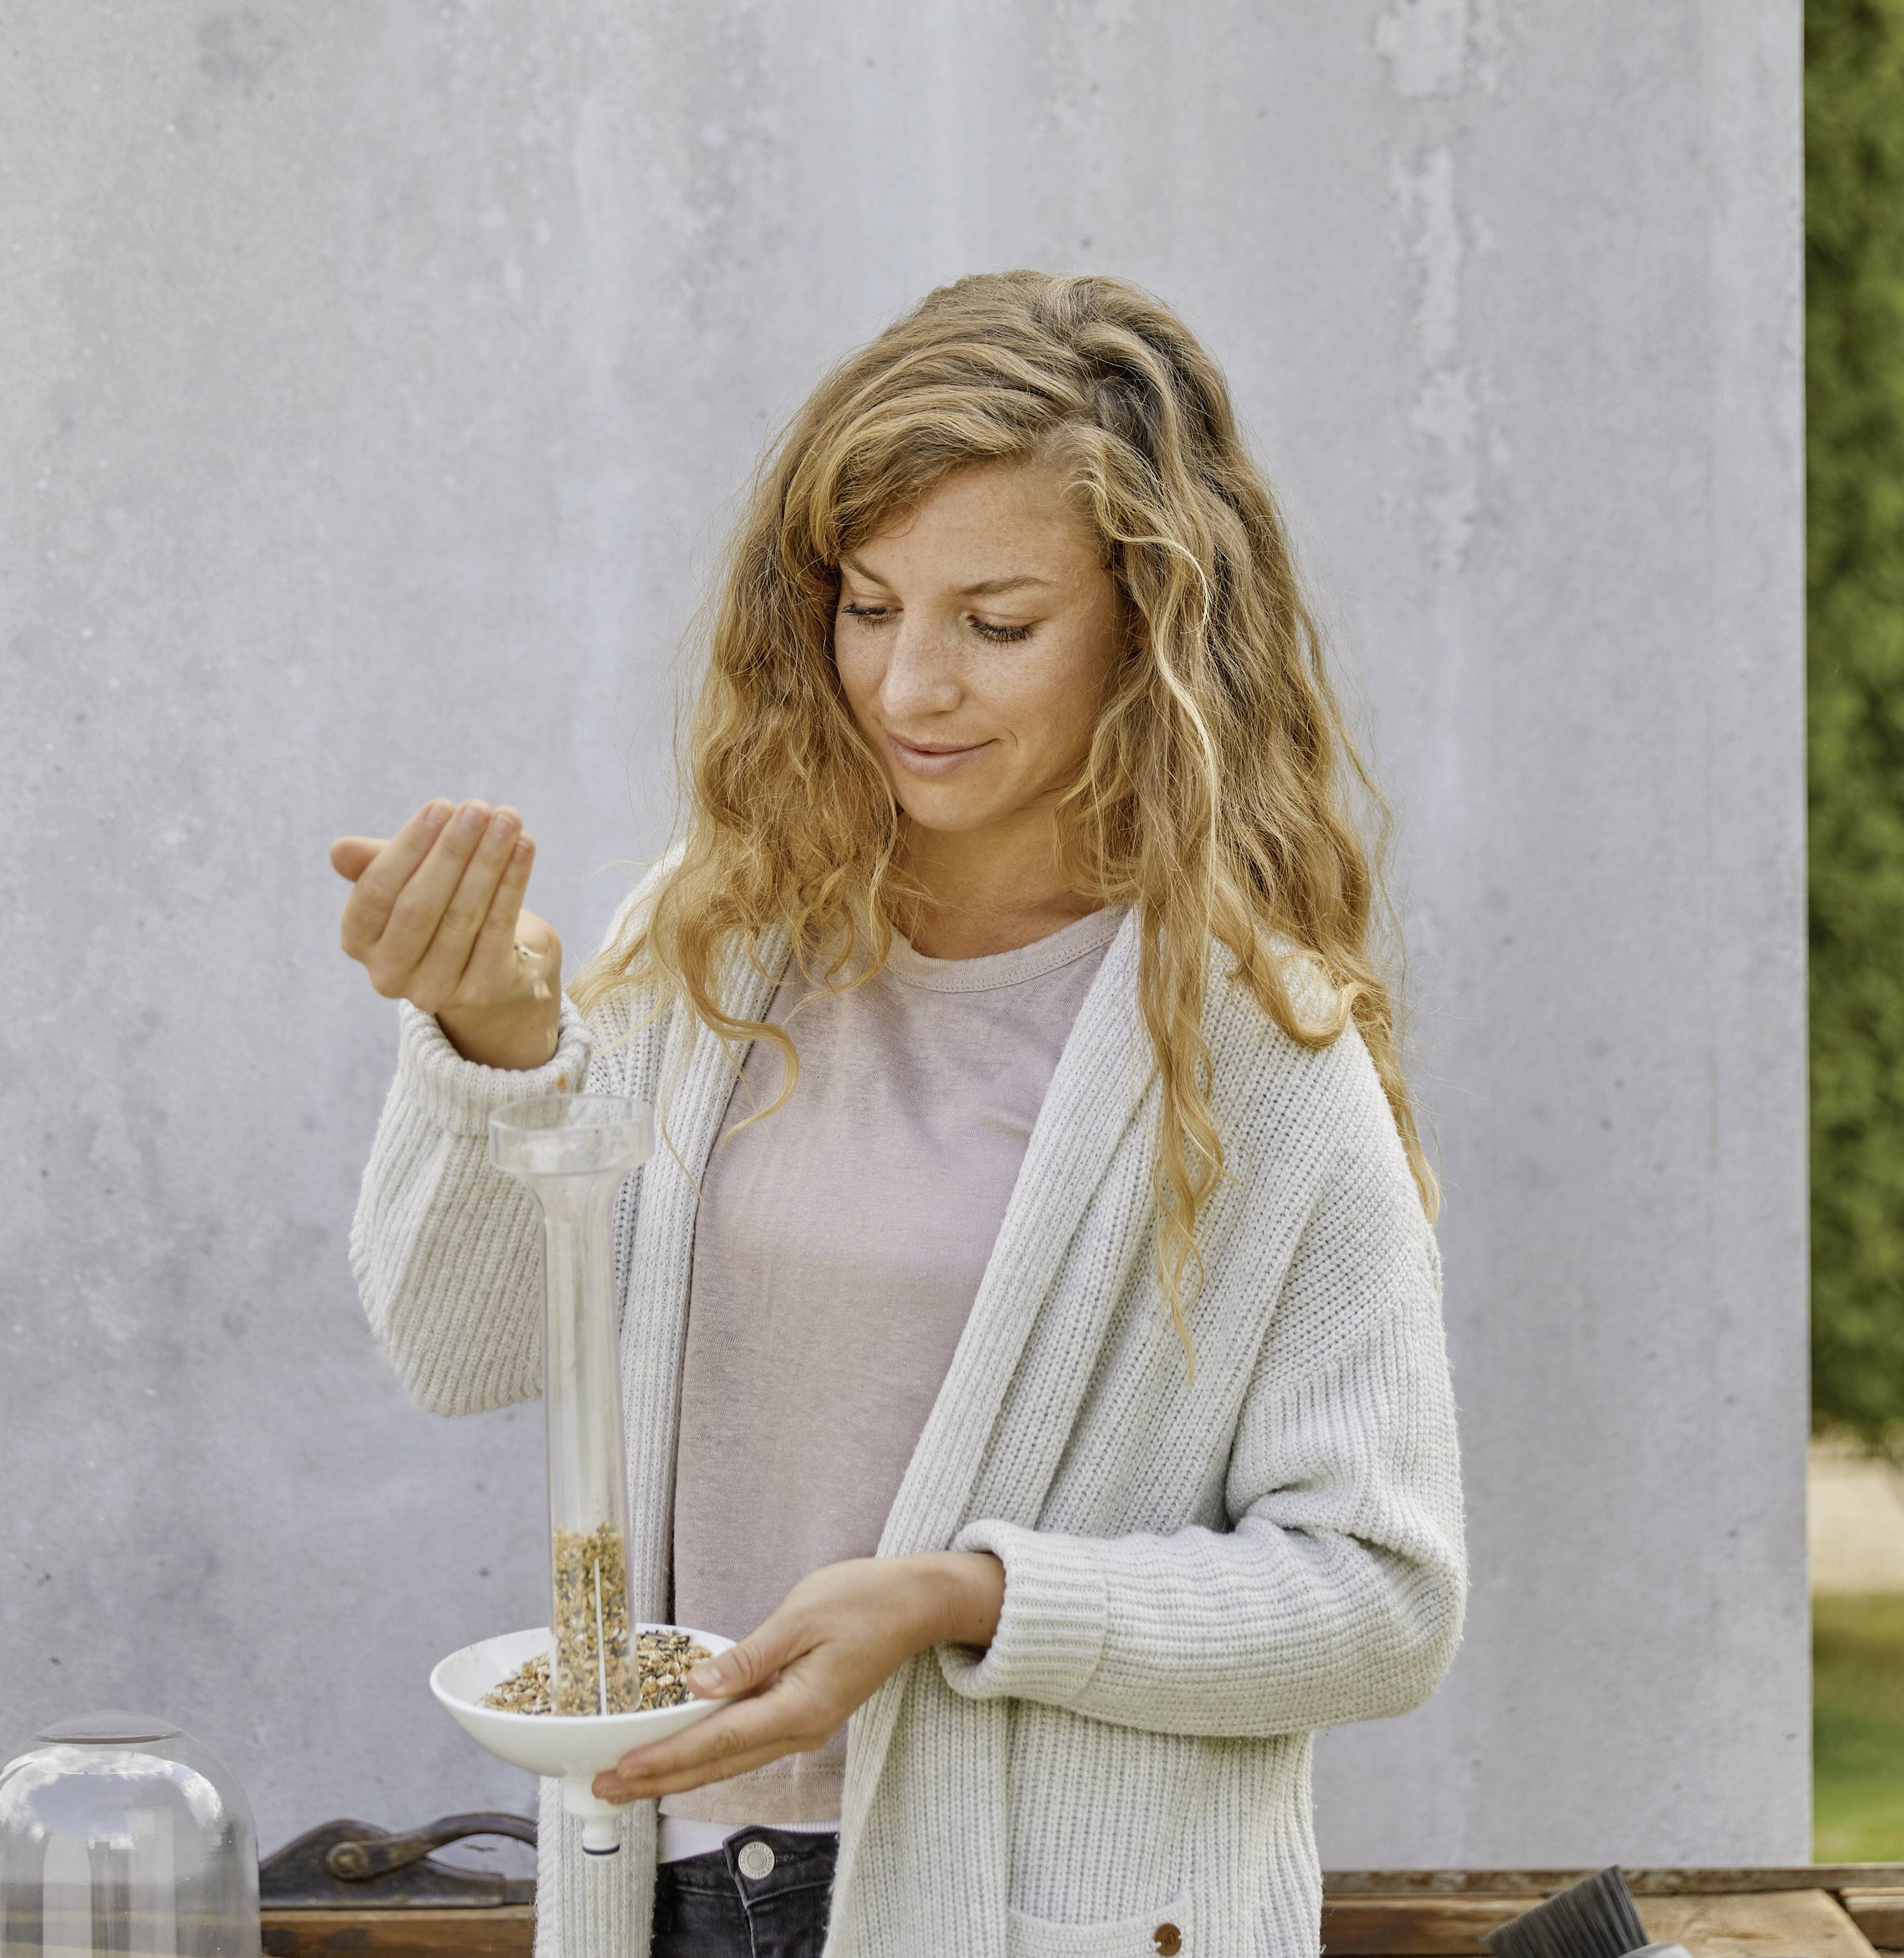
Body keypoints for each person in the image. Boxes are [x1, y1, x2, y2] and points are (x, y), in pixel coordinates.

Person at [334, 271, 1466, 1958]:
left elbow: (1381, 1601)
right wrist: (495, 1044)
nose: (909, 688)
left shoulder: (1251, 1050)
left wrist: (971, 1599)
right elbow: (456, 1345)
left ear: (1149, 625)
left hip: (1037, 1920)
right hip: (668, 1890)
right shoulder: (713, 945)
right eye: (868, 609)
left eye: (995, 624)